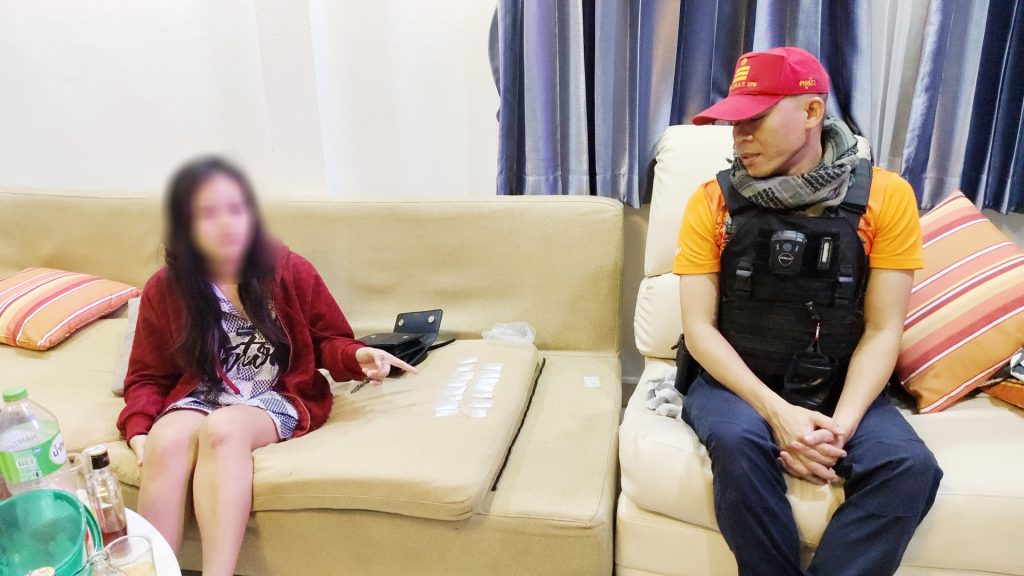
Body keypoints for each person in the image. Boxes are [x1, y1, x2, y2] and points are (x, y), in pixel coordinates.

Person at [674, 47, 943, 576]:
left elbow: (884, 328)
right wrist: (778, 414)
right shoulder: (711, 201)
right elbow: (699, 329)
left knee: (910, 468)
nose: (739, 137)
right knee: (737, 443)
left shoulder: (887, 196)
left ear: (812, 111)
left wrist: (838, 429)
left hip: (840, 384)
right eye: (734, 123)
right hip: (736, 384)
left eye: (754, 120)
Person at [116, 157, 416, 576]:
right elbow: (148, 375)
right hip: (204, 393)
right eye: (208, 214)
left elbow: (327, 339)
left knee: (223, 431)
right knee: (165, 441)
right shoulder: (166, 288)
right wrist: (138, 429)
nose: (227, 224)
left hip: (276, 394)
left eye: (236, 209)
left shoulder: (289, 270)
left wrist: (356, 356)